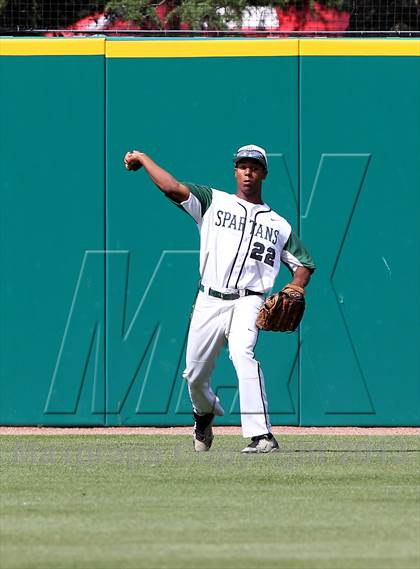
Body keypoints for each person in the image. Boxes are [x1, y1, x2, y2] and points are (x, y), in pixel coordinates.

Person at [124, 144, 315, 453]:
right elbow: (172, 188)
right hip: (209, 299)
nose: (248, 171)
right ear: (235, 170)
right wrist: (144, 159)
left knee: (243, 355)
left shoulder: (279, 225)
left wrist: (296, 286)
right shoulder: (213, 202)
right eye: (242, 165)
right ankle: (204, 414)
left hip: (249, 300)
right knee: (195, 376)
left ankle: (262, 435)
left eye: (254, 166)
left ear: (264, 173)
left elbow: (304, 265)